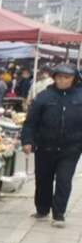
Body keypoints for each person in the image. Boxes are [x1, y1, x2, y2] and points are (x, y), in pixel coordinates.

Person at [21, 64, 82, 228]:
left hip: (71, 148)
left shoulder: (80, 96)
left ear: (74, 79)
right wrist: (27, 140)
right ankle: (42, 208)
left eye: (66, 77)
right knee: (43, 179)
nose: (62, 80)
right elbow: (30, 121)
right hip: (45, 146)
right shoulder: (44, 96)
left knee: (64, 180)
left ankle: (59, 213)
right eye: (59, 77)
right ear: (54, 77)